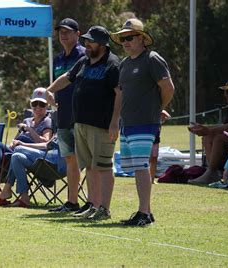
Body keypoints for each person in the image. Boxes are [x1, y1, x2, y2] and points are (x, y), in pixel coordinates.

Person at [46, 25, 121, 221]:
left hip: (102, 124)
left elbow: (120, 94)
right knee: (89, 167)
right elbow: (67, 77)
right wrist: (49, 90)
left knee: (103, 167)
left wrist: (115, 122)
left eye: (91, 41)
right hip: (80, 123)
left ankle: (104, 208)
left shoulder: (112, 64)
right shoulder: (84, 61)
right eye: (86, 41)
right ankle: (93, 205)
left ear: (102, 44)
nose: (86, 44)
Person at [110, 18, 175, 226]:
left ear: (141, 38)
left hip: (145, 122)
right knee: (137, 167)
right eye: (122, 39)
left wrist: (157, 109)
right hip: (128, 123)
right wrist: (115, 120)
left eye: (129, 38)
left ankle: (144, 214)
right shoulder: (125, 64)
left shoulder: (152, 59)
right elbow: (121, 94)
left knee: (141, 167)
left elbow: (168, 88)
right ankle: (146, 211)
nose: (125, 42)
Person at [46, 18, 86, 212]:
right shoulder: (58, 58)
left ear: (78, 34)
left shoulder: (84, 55)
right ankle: (72, 202)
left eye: (68, 31)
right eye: (61, 31)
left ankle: (94, 203)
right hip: (62, 114)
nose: (63, 34)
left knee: (83, 159)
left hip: (81, 114)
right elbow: (58, 84)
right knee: (70, 158)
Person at [0, 87, 53, 183]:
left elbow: (46, 143)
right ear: (30, 104)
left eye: (42, 104)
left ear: (47, 106)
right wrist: (12, 143)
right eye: (34, 104)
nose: (38, 107)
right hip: (15, 150)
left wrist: (29, 129)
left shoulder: (47, 121)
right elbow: (15, 139)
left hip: (30, 156)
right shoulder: (27, 121)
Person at [188, 79, 228, 184]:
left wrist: (208, 129)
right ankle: (212, 172)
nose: (225, 95)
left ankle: (211, 172)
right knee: (208, 136)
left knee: (219, 138)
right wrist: (205, 129)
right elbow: (225, 126)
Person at [0, 138, 62, 208]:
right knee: (16, 157)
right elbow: (46, 145)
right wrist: (24, 144)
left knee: (18, 148)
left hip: (57, 163)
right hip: (46, 160)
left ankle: (7, 188)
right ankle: (24, 197)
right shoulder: (59, 131)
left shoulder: (66, 129)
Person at [150, 110, 171, 183]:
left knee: (154, 158)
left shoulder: (158, 109)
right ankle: (145, 179)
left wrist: (162, 115)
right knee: (147, 159)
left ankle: (152, 180)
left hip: (156, 138)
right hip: (147, 137)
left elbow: (168, 116)